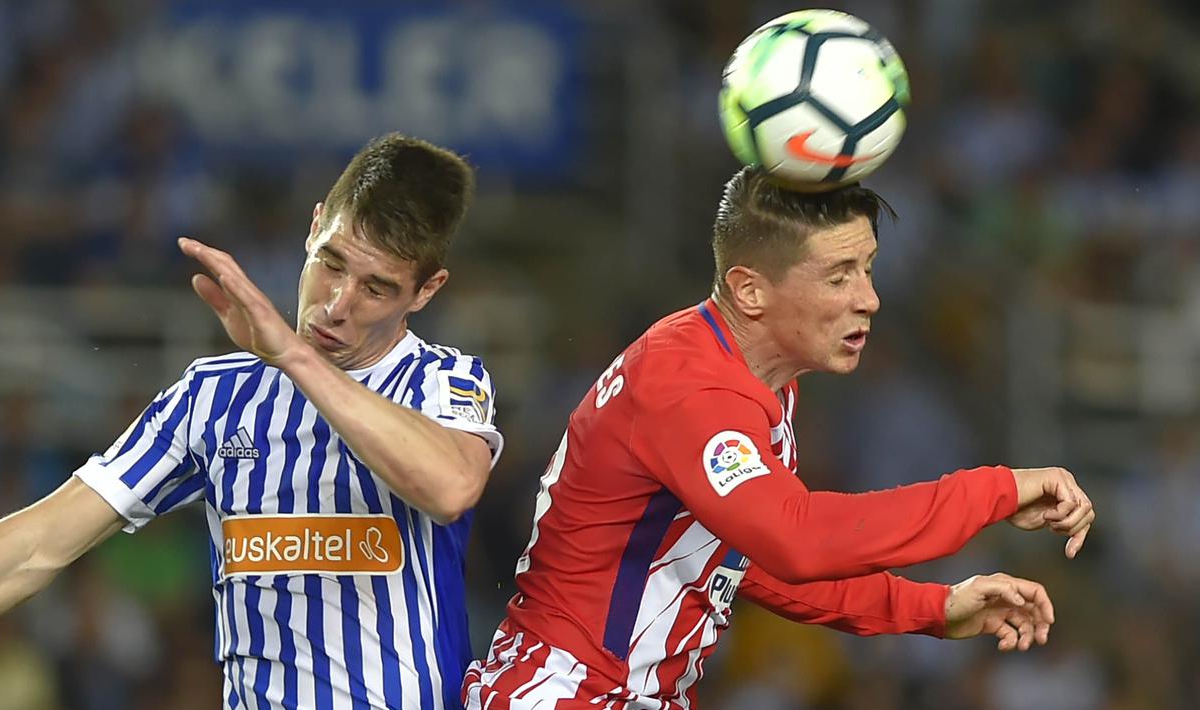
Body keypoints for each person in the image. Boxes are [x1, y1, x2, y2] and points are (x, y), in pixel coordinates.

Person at [463, 167, 1095, 709]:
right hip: (566, 692)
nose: (870, 299)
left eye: (868, 268)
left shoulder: (753, 377)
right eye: (839, 275)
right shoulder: (692, 390)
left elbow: (747, 560)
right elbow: (795, 540)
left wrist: (933, 607)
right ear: (750, 290)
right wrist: (995, 491)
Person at [0, 133, 503, 709]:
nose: (336, 305)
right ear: (314, 224)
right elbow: (38, 543)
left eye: (376, 288)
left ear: (427, 291)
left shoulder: (442, 380)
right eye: (331, 263)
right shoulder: (214, 398)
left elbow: (450, 487)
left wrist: (294, 358)